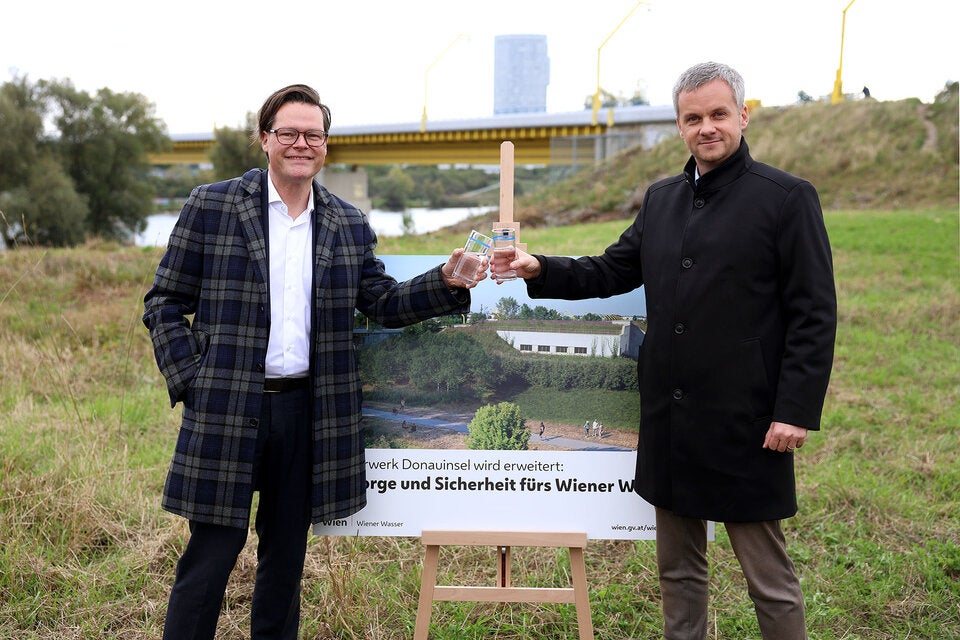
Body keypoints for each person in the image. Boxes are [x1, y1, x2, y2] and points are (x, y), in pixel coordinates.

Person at [498, 62, 837, 640]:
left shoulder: (787, 199)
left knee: (768, 579)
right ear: (679, 126)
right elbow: (611, 269)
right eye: (693, 118)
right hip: (672, 417)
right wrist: (539, 266)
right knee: (679, 571)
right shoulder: (662, 200)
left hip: (747, 420)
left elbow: (814, 312)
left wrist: (794, 410)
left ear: (743, 116)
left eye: (718, 114)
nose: (706, 128)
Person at [143, 84, 486, 640]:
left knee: (285, 561)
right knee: (210, 556)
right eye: (288, 133)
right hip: (226, 407)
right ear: (265, 139)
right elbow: (164, 302)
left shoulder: (346, 223)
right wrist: (193, 380)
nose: (301, 144)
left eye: (313, 135)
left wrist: (445, 281)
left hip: (308, 412)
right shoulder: (211, 206)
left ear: (325, 146)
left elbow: (381, 301)